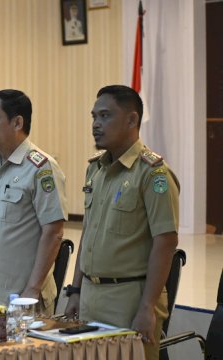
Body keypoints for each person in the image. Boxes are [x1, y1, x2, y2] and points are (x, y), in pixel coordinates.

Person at [64, 85, 179, 360]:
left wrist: (147, 307)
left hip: (128, 298)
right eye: (94, 116)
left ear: (132, 120)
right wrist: (76, 289)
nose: (95, 124)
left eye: (105, 116)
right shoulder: (96, 168)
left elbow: (165, 243)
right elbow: (88, 233)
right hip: (91, 296)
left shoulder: (153, 174)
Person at [0, 90, 68, 314]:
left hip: (23, 300)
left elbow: (53, 232)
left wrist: (33, 290)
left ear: (17, 122)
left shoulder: (41, 167)